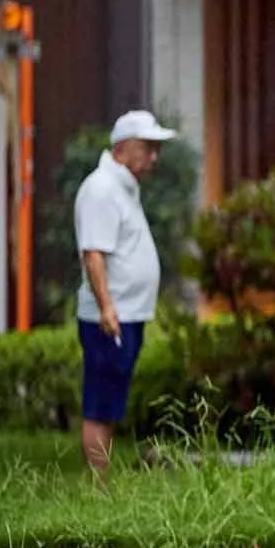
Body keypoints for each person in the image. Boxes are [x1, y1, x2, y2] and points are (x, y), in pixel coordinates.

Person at [74, 110, 175, 479]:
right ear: (123, 148)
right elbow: (94, 253)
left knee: (111, 400)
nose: (154, 158)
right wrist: (106, 308)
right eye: (148, 148)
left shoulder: (122, 188)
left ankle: (101, 479)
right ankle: (98, 487)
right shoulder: (102, 189)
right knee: (101, 403)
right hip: (111, 316)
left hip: (127, 313)